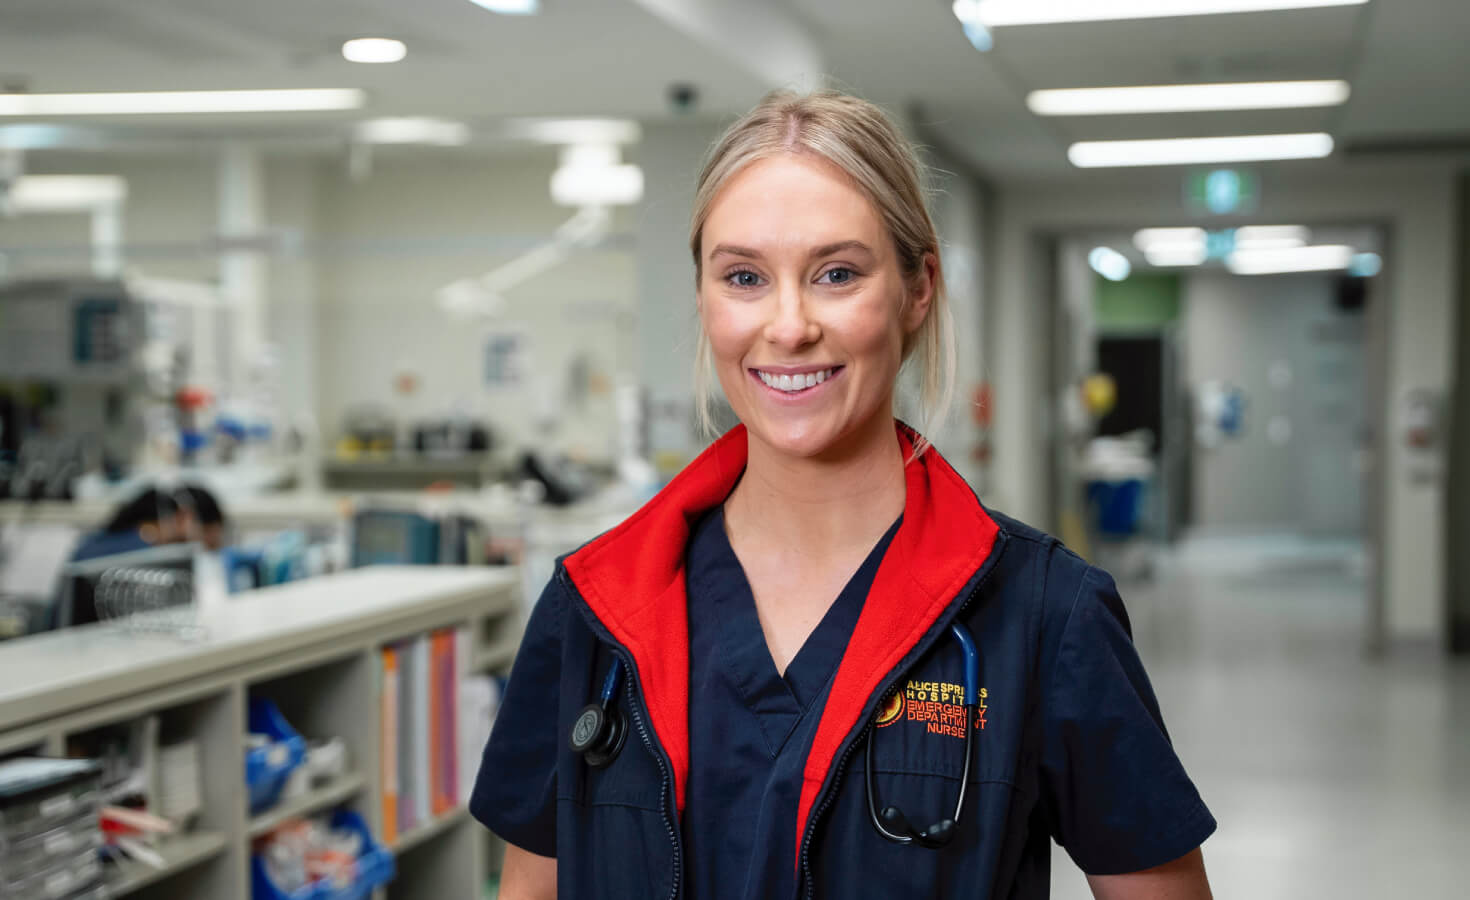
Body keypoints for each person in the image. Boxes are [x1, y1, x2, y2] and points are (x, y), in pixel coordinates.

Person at [470, 90, 1216, 900]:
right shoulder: (593, 608)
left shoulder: (1045, 615)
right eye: (745, 277)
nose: (788, 326)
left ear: (917, 289)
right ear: (704, 299)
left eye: (837, 274)